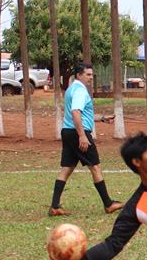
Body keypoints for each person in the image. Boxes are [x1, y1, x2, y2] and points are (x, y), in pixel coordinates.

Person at [48, 62, 123, 217]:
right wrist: (82, 135)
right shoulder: (80, 91)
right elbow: (76, 112)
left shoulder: (72, 89)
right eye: (88, 74)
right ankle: (108, 204)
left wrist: (102, 118)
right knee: (95, 167)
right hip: (77, 134)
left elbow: (80, 114)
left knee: (67, 169)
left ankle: (55, 206)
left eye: (91, 74)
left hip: (68, 132)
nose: (91, 77)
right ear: (79, 75)